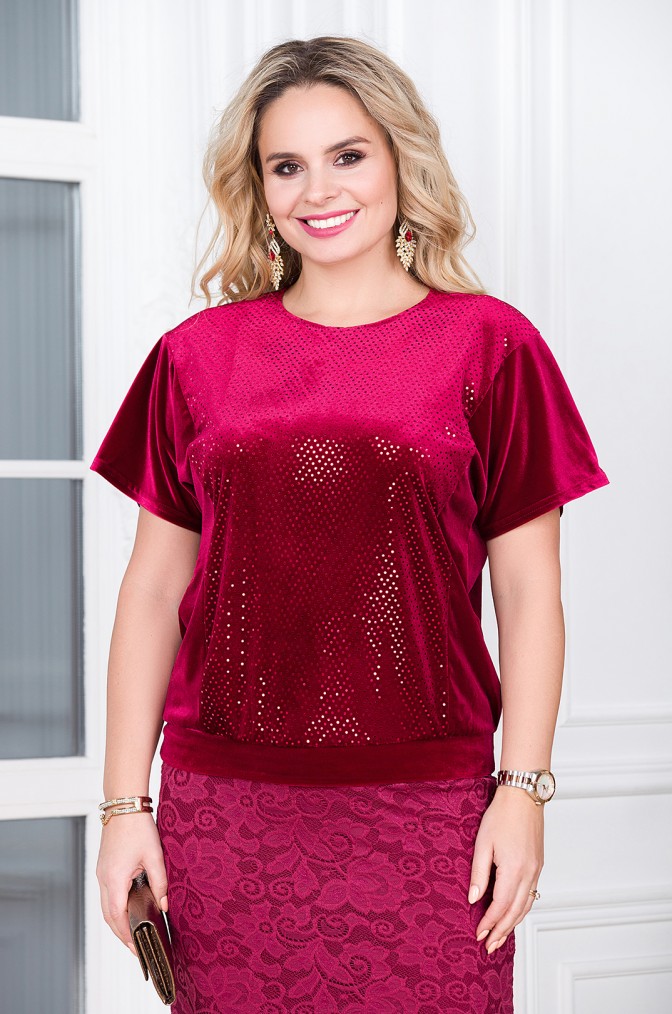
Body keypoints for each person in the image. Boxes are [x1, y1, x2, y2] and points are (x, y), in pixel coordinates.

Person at [92, 35, 610, 1014]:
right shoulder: (197, 356)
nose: (317, 190)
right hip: (226, 814)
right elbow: (153, 591)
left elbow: (529, 591)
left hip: (432, 814)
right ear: (258, 187)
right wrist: (124, 806)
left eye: (347, 155)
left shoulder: (492, 346)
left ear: (400, 160)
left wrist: (523, 791)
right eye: (285, 165)